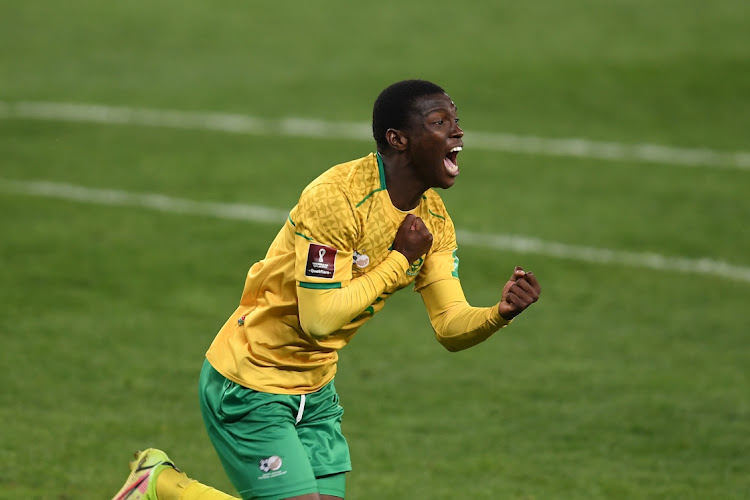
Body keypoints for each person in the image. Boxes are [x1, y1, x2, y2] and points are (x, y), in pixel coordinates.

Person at [111, 79, 541, 500]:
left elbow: (449, 325)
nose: (457, 131)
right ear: (399, 139)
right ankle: (163, 488)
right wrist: (399, 260)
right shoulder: (337, 198)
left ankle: (159, 485)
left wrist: (497, 314)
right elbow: (319, 320)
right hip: (251, 379)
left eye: (456, 120)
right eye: (439, 122)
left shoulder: (434, 221)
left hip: (315, 389)